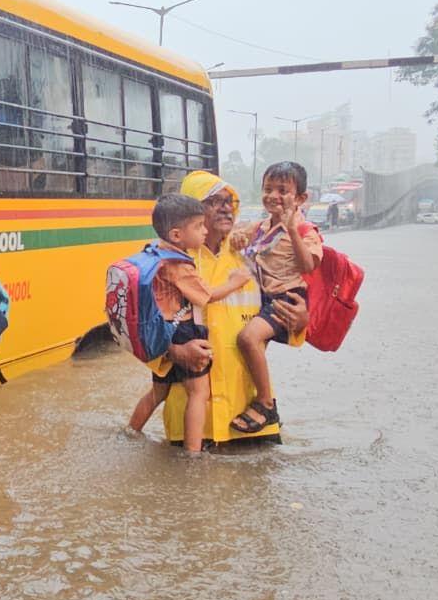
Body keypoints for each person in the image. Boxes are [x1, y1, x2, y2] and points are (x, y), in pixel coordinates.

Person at [128, 171, 309, 445]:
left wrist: (303, 318)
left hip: (249, 421)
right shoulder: (167, 262)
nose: (226, 208)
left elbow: (289, 295)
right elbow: (135, 327)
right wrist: (175, 352)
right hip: (192, 430)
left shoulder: (251, 254)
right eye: (214, 201)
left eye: (230, 201)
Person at [129, 195, 251, 452]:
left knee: (158, 393)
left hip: (163, 331)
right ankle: (192, 453)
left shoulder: (155, 252)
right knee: (198, 393)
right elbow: (206, 297)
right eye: (199, 226)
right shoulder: (179, 266)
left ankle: (131, 430)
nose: (205, 230)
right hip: (183, 332)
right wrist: (235, 282)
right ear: (176, 235)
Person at [230, 162, 322, 433]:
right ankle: (256, 405)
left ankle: (266, 404)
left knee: (247, 339)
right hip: (262, 297)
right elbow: (235, 239)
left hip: (286, 298)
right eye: (268, 189)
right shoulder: (259, 227)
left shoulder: (306, 230)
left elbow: (308, 266)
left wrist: (291, 229)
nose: (273, 196)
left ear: (301, 198)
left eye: (283, 190)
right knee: (251, 352)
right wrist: (236, 239)